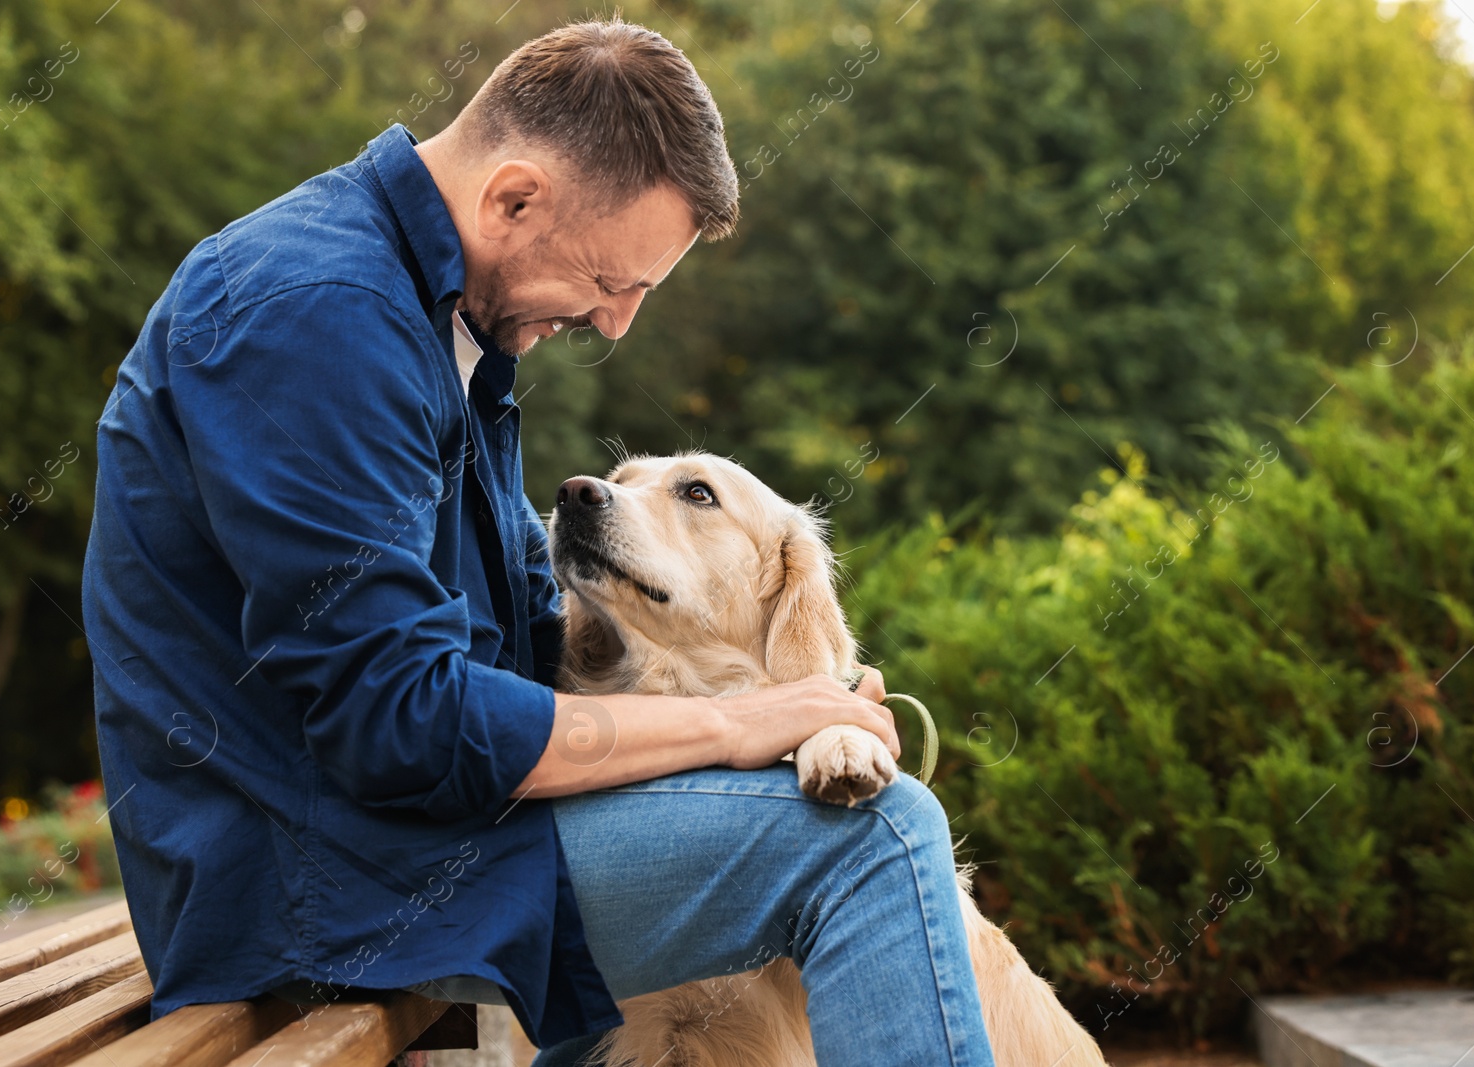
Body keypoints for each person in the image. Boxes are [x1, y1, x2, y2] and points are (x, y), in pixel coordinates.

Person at [83, 18, 996, 1066]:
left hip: (387, 844)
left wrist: (805, 704)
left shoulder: (436, 317)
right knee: (878, 836)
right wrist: (744, 722)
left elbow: (518, 625)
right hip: (318, 881)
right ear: (514, 197)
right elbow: (409, 724)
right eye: (614, 284)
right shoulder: (318, 313)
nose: (615, 327)